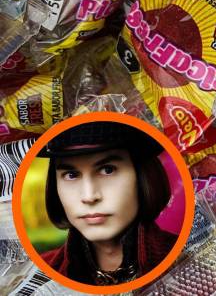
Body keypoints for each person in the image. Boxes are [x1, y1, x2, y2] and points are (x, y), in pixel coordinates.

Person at [39, 121, 178, 285]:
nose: (89, 196)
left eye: (107, 170)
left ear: (142, 176)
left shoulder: (188, 255)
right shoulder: (39, 274)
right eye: (71, 175)